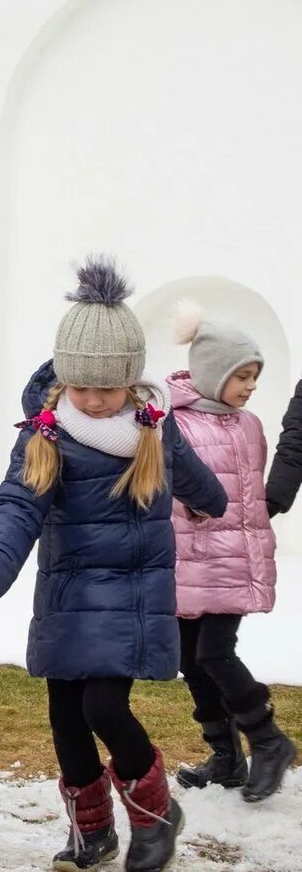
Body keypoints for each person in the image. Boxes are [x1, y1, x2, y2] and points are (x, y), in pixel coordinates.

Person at [0, 257, 227, 872]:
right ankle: (92, 832)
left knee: (104, 708)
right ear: (64, 380)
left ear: (131, 381)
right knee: (65, 720)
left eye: (108, 388)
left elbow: (198, 483)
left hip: (133, 598)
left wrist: (213, 504)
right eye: (83, 387)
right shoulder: (45, 435)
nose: (96, 400)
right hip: (68, 597)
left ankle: (154, 815)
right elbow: (18, 507)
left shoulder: (156, 431)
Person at [167, 304, 295, 801]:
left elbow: (247, 501)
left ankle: (268, 740)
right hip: (184, 561)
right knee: (188, 657)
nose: (250, 386)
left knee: (214, 651)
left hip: (231, 562)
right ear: (212, 372)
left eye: (254, 377)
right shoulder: (172, 422)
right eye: (241, 375)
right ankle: (225, 755)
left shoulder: (249, 426)